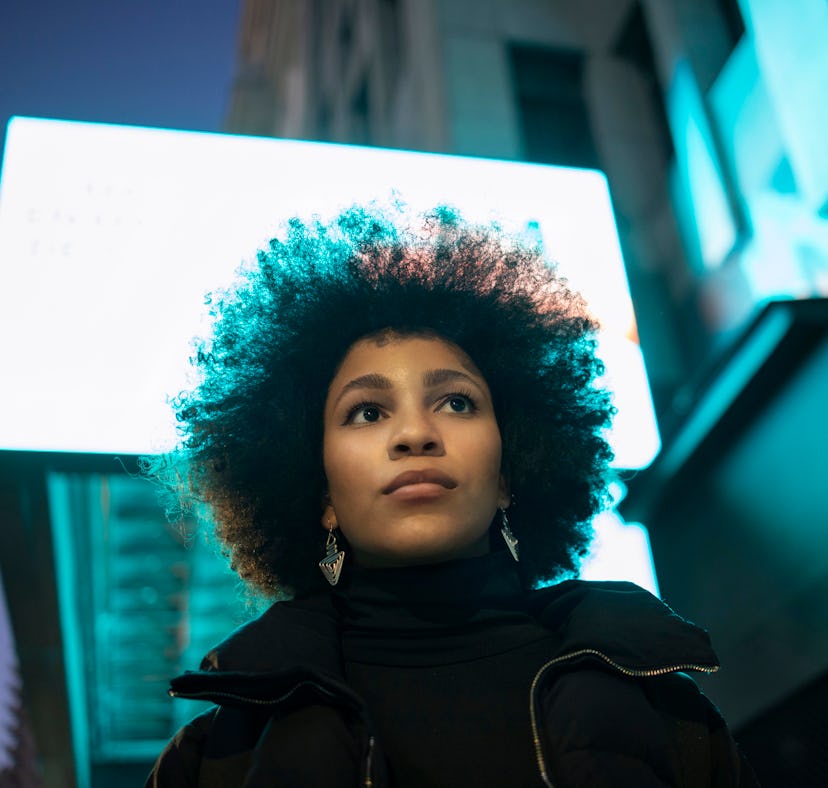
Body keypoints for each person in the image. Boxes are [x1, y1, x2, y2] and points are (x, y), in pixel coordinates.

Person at [144, 205, 755, 787]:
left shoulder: (668, 714)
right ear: (321, 492)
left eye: (456, 402)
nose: (415, 434)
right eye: (367, 411)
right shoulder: (215, 761)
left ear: (512, 471)